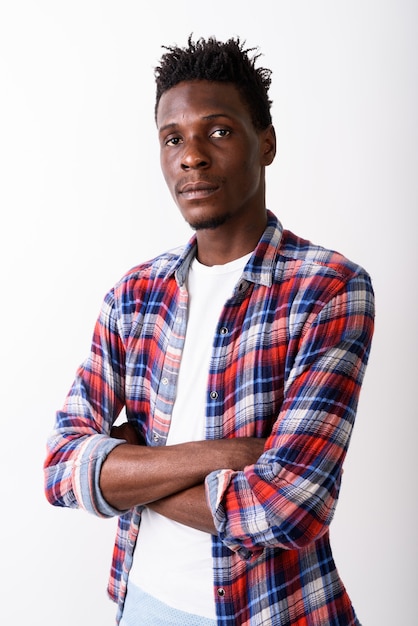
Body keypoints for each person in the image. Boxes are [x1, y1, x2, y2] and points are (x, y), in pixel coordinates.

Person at [44, 36, 375, 626]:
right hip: (142, 605)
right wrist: (223, 456)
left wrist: (128, 470)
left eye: (217, 131)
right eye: (173, 139)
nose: (190, 156)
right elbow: (61, 467)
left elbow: (286, 510)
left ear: (266, 142)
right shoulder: (134, 295)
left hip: (275, 612)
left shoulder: (328, 289)